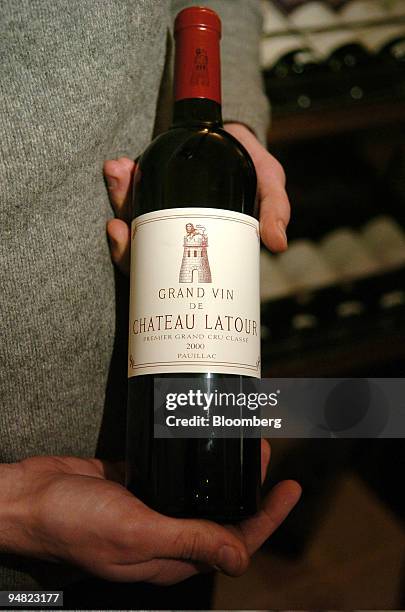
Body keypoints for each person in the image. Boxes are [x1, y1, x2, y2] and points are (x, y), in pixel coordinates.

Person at [0, 0, 300, 605]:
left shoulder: (204, 153)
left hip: (120, 477)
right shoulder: (164, 157)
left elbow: (232, 8)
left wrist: (238, 122)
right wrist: (14, 508)